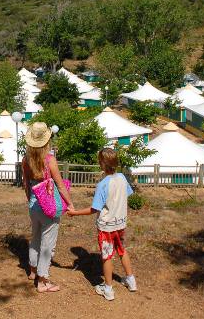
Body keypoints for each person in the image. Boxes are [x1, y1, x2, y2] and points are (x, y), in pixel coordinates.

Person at [67, 148, 136, 301]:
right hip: (121, 224)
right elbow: (127, 195)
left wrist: (74, 212)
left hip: (107, 227)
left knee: (106, 256)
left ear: (101, 163)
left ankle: (108, 289)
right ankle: (131, 281)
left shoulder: (103, 184)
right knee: (122, 250)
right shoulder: (122, 178)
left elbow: (94, 209)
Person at [22, 121, 74, 293]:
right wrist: (70, 204)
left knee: (35, 238)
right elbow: (59, 186)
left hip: (33, 205)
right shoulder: (50, 160)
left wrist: (31, 200)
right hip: (49, 207)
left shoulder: (25, 159)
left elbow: (26, 184)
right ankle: (43, 281)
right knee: (47, 244)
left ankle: (33, 271)